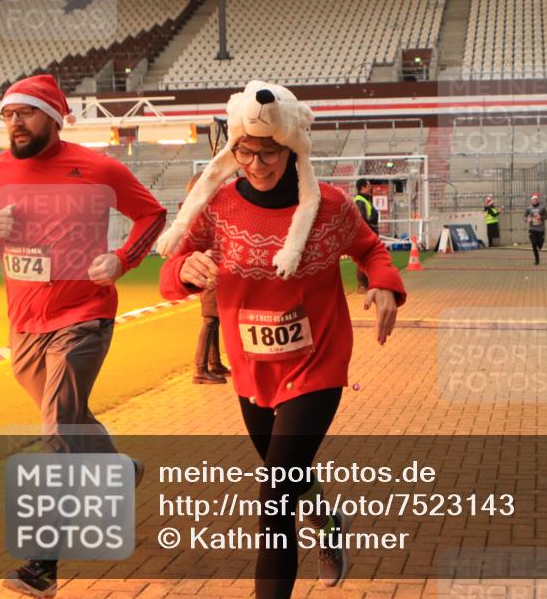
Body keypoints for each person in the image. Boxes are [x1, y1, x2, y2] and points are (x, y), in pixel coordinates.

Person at [157, 81, 406, 596]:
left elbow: (371, 249)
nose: (258, 164)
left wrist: (383, 285)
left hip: (317, 363)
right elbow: (170, 274)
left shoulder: (331, 206)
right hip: (251, 366)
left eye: (269, 152)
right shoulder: (216, 205)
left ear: (292, 148)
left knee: (274, 497)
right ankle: (329, 521)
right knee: (286, 480)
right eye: (246, 152)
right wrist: (187, 267)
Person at [0, 74, 166, 597]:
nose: (15, 122)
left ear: (54, 117)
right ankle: (117, 472)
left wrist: (123, 259)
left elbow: (152, 213)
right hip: (25, 325)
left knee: (56, 428)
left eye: (27, 114)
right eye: (8, 114)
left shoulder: (98, 167)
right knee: (71, 420)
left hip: (84, 316)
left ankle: (43, 561)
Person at [184, 171, 230, 385]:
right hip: (210, 272)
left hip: (214, 271)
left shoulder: (203, 212)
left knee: (215, 319)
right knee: (210, 320)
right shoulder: (201, 214)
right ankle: (200, 370)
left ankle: (214, 363)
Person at [353, 178, 379, 294]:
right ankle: (362, 286)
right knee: (363, 260)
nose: (370, 187)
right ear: (362, 188)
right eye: (368, 185)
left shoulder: (365, 200)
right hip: (365, 236)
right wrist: (369, 234)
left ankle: (368, 284)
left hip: (370, 234)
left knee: (370, 260)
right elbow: (361, 220)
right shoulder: (359, 201)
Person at [524, 193, 547, 265]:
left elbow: (546, 216)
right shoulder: (529, 208)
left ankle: (539, 246)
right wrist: (527, 219)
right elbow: (524, 216)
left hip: (540, 229)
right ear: (532, 200)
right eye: (534, 199)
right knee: (534, 243)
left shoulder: (542, 208)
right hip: (532, 229)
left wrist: (541, 217)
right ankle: (537, 259)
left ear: (538, 200)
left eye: (536, 199)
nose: (535, 200)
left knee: (540, 244)